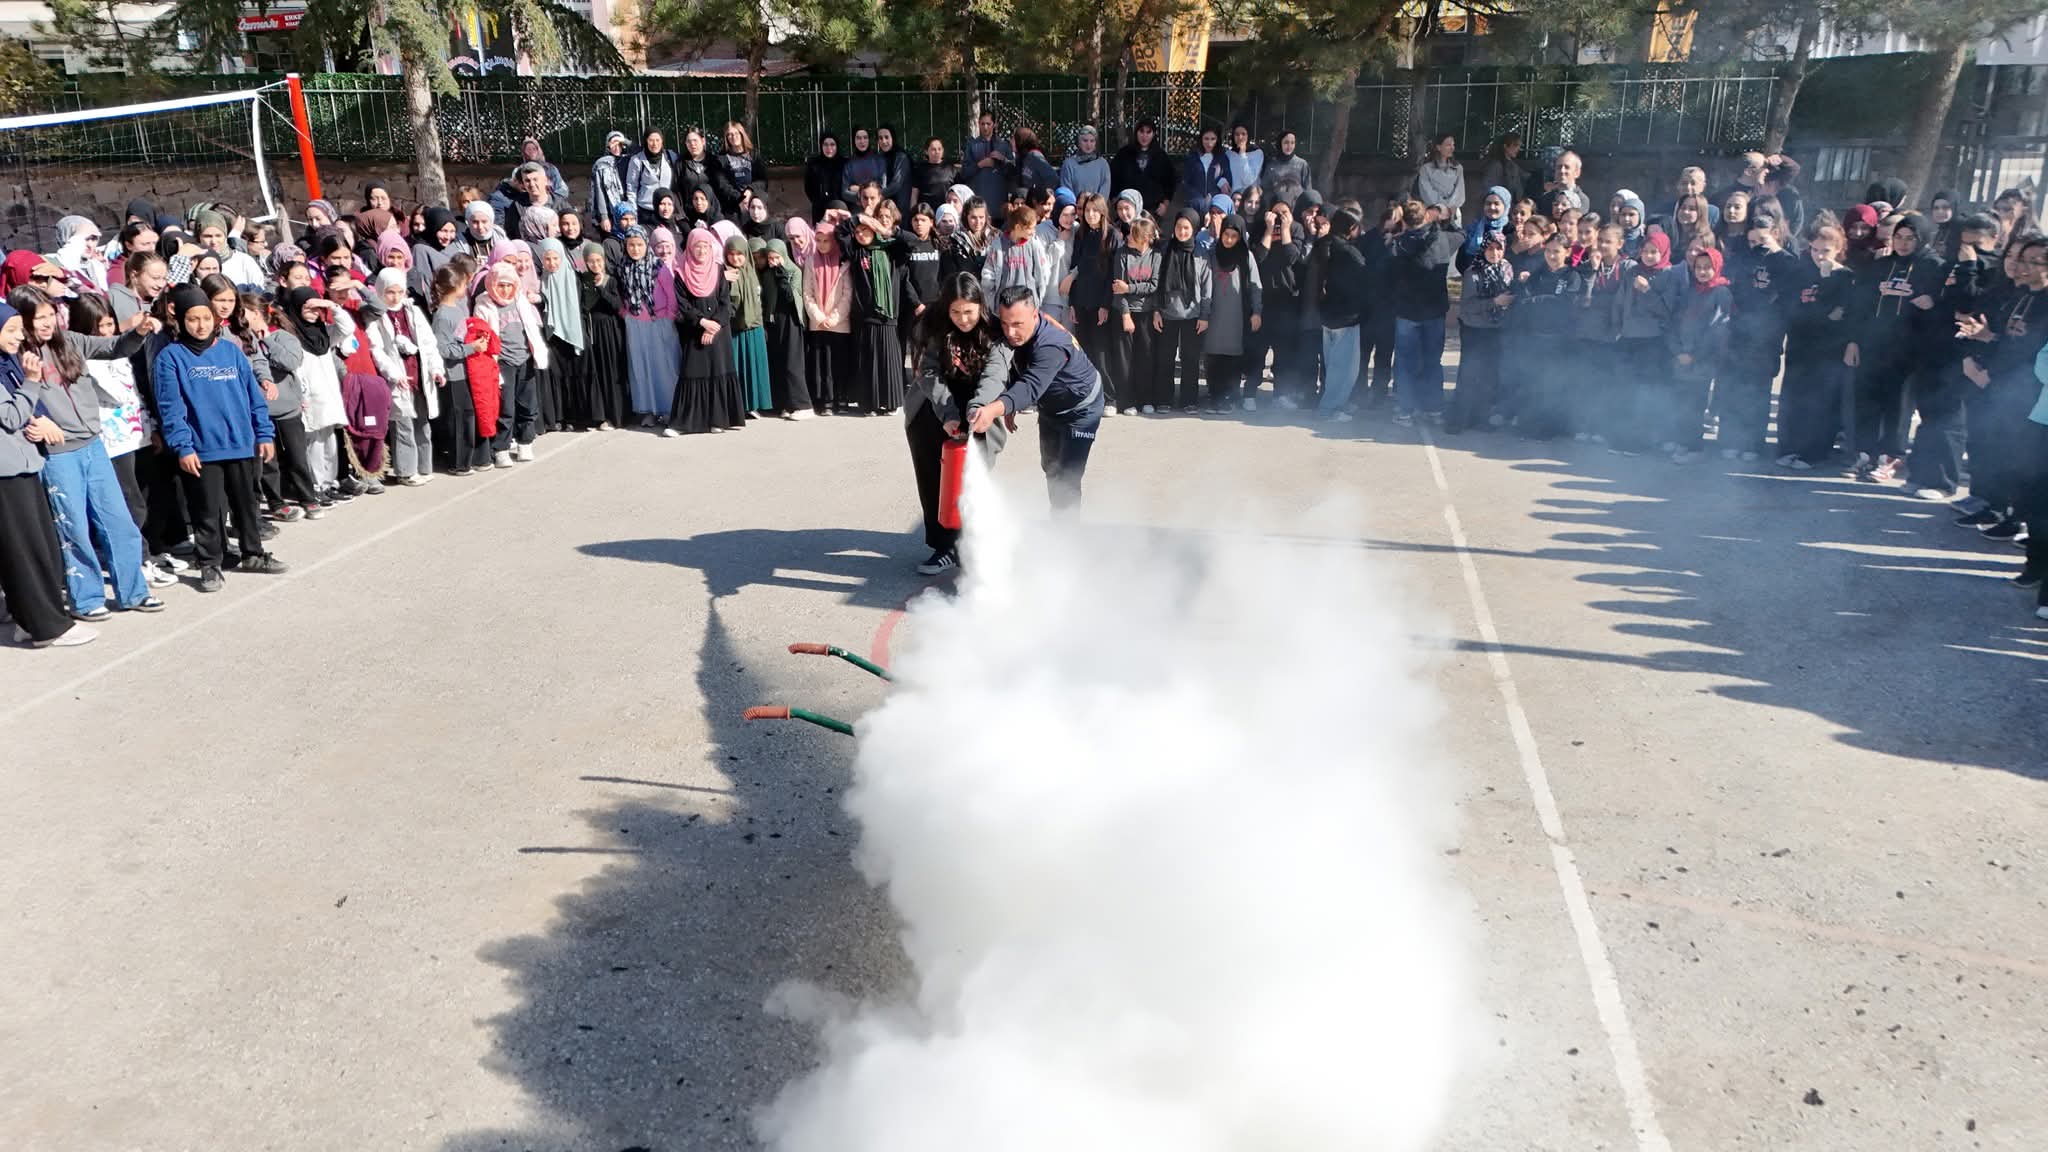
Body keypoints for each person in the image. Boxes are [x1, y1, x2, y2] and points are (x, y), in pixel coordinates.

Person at [7, 284, 160, 618]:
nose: (47, 324)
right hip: (58, 455)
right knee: (74, 528)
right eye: (38, 318)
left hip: (94, 444)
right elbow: (17, 405)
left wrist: (140, 331)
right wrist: (39, 421)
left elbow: (115, 346)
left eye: (51, 315)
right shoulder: (17, 358)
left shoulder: (70, 341)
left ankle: (133, 591)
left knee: (119, 521)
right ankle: (86, 599)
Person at [153, 283, 284, 592]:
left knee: (246, 504)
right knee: (207, 510)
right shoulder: (171, 358)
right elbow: (171, 409)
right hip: (202, 449)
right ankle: (210, 563)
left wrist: (263, 433)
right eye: (193, 319)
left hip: (240, 443)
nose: (200, 326)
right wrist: (183, 447)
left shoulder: (230, 351)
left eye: (206, 318)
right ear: (182, 320)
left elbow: (253, 396)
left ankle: (253, 553)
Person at [0, 300, 98, 646]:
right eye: (9, 330)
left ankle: (29, 620)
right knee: (25, 553)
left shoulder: (6, 363)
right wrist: (30, 382)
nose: (18, 337)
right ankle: (48, 628)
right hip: (6, 474)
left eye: (18, 329)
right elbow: (11, 417)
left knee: (36, 547)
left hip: (23, 465)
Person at [966, 286, 1104, 510]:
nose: (1010, 333)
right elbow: (1012, 367)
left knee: (1067, 478)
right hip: (1050, 407)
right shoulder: (1019, 331)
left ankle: (1067, 537)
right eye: (1005, 323)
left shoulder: (1051, 345)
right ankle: (1059, 519)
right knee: (1051, 467)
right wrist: (1008, 403)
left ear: (1034, 315)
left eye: (1017, 324)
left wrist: (994, 409)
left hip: (1082, 410)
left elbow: (1030, 387)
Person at [905, 272, 1006, 575]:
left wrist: (978, 409)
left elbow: (995, 372)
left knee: (974, 477)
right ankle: (943, 546)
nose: (963, 319)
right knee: (936, 478)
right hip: (932, 407)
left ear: (980, 307)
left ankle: (972, 544)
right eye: (956, 312)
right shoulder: (931, 324)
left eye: (969, 312)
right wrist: (948, 415)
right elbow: (927, 372)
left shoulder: (992, 329)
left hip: (979, 405)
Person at [1955, 236, 2048, 542]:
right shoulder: (2020, 294)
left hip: (2029, 393)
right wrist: (1982, 346)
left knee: (2023, 462)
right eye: (2023, 260)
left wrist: (1990, 342)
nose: (2024, 267)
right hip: (2000, 386)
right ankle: (1999, 508)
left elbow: (2029, 350)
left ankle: (2018, 518)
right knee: (1998, 451)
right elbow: (2002, 339)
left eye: (2034, 262)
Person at [1844, 212, 1943, 481]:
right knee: (1866, 399)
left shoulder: (1932, 266)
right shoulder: (1880, 265)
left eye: (1911, 238)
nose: (1903, 243)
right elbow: (1860, 305)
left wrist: (1933, 302)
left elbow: (1945, 305)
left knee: (1897, 406)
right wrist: (1853, 340)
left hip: (1908, 349)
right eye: (1899, 237)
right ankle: (1864, 454)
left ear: (1922, 239)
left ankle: (1891, 457)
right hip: (1873, 343)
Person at [1716, 201, 1798, 461]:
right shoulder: (1742, 259)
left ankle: (1752, 443)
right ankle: (1730, 439)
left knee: (1757, 391)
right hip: (1739, 333)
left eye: (1761, 240)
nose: (1756, 246)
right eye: (1752, 241)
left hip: (1766, 338)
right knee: (1733, 388)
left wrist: (1773, 251)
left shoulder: (1785, 261)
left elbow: (1788, 297)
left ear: (1774, 235)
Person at [1777, 223, 1853, 470]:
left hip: (1828, 350)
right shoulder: (1801, 273)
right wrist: (1819, 314)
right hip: (1800, 345)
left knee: (1820, 401)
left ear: (1838, 249)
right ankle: (1789, 447)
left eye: (1826, 251)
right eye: (1815, 250)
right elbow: (1794, 309)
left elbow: (1841, 314)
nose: (1820, 256)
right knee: (1793, 397)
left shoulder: (1846, 277)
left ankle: (1814, 452)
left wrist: (1827, 281)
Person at [367, 267, 443, 482]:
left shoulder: (413, 311)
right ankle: (407, 471)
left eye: (400, 292)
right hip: (399, 378)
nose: (395, 297)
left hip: (418, 374)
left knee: (422, 423)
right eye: (390, 292)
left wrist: (436, 368)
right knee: (403, 426)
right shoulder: (377, 317)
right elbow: (377, 349)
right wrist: (392, 373)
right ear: (381, 291)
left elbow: (429, 343)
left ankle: (424, 466)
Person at [663, 226, 740, 436]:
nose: (702, 250)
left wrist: (714, 325)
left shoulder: (718, 270)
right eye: (697, 246)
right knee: (692, 373)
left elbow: (725, 303)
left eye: (706, 246)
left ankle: (718, 420)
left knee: (717, 372)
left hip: (719, 332)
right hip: (694, 332)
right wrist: (702, 322)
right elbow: (683, 306)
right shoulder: (681, 273)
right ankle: (682, 424)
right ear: (689, 247)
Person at [1389, 201, 1461, 424]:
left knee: (1405, 362)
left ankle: (1405, 410)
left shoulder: (1399, 244)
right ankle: (1434, 408)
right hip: (1434, 311)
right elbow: (1461, 234)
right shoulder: (1443, 239)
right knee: (1432, 361)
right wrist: (1445, 216)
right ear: (1426, 218)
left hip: (1407, 311)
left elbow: (1387, 267)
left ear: (1405, 221)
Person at [1667, 247, 1733, 461]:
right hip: (1681, 357)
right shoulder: (1690, 291)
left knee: (1695, 405)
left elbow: (1717, 329)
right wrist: (1678, 350)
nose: (1702, 272)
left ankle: (1694, 447)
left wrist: (1695, 355)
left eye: (1708, 267)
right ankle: (1681, 441)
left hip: (1702, 361)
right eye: (1699, 267)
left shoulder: (1721, 292)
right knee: (1681, 403)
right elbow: (1674, 323)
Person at [1447, 229, 1513, 435]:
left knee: (1489, 376)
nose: (1494, 253)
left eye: (1498, 249)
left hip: (1496, 329)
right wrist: (1494, 302)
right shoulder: (1473, 272)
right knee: (1469, 374)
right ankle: (1458, 419)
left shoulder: (1507, 269)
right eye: (1490, 248)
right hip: (1475, 329)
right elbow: (1468, 305)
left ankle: (1480, 417)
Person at [845, 213, 907, 416]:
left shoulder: (891, 251)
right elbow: (840, 232)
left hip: (888, 316)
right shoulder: (856, 253)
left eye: (866, 230)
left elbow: (912, 242)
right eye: (858, 232)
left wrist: (887, 231)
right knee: (868, 362)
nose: (861, 235)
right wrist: (860, 219)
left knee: (888, 361)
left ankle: (890, 403)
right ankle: (868, 404)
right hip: (865, 317)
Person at [1154, 208, 1212, 413]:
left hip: (1192, 315)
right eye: (1179, 227)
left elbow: (1207, 288)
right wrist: (1156, 311)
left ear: (1194, 229)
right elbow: (1157, 283)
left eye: (1186, 228)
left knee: (1190, 359)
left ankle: (1189, 400)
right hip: (1167, 313)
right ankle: (1164, 399)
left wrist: (1204, 315)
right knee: (1165, 358)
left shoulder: (1201, 253)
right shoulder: (1164, 250)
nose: (1182, 231)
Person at [1313, 208, 1369, 421]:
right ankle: (1331, 408)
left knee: (1332, 364)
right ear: (1351, 228)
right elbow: (1366, 278)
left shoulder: (1323, 244)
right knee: (1345, 370)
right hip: (1347, 317)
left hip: (1327, 315)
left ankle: (1333, 403)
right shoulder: (1350, 253)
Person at [1203, 214, 1263, 412]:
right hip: (1215, 313)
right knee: (1213, 354)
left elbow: (1255, 286)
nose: (1228, 240)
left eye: (1233, 236)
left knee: (1233, 355)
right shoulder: (1212, 254)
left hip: (1237, 315)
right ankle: (1215, 395)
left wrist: (1257, 311)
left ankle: (1229, 395)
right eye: (1226, 234)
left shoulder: (1247, 257)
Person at [1108, 213, 1161, 414]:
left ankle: (1145, 398)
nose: (1128, 237)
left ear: (1145, 239)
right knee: (1124, 359)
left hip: (1146, 312)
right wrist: (1125, 314)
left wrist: (1129, 288)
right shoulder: (1122, 254)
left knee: (1145, 356)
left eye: (1133, 235)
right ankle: (1126, 400)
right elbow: (1116, 288)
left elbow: (1154, 285)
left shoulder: (1156, 256)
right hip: (1125, 312)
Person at [802, 213, 853, 414]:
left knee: (838, 363)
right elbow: (807, 293)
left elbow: (848, 293)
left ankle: (840, 399)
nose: (822, 245)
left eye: (826, 241)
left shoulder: (843, 262)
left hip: (839, 323)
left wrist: (833, 318)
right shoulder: (810, 262)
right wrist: (819, 317)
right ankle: (824, 401)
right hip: (818, 323)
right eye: (819, 241)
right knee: (821, 364)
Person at [981, 202, 1055, 313]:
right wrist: (992, 301)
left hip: (1028, 306)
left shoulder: (1034, 245)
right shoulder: (998, 246)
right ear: (1018, 227)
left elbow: (1044, 272)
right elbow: (988, 275)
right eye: (1030, 228)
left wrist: (1038, 299)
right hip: (1004, 307)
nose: (1034, 231)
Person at [1112, 119, 1175, 219]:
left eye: (1148, 132)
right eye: (1141, 131)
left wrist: (1165, 204)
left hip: (1153, 211)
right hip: (1127, 210)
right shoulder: (1124, 154)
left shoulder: (1161, 156)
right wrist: (1116, 202)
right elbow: (1114, 178)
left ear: (1153, 134)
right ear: (1136, 132)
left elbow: (1169, 182)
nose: (1144, 136)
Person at [963, 113, 1013, 221]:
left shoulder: (1004, 145)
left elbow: (1012, 172)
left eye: (988, 124)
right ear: (978, 124)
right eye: (982, 124)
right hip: (979, 202)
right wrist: (980, 165)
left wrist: (1003, 159)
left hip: (999, 203)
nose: (985, 127)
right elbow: (965, 172)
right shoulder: (972, 145)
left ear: (994, 125)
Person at [1414, 134, 1465, 226]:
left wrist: (1450, 207)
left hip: (1453, 212)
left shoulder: (1458, 168)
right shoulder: (1426, 169)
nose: (1452, 148)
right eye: (1448, 145)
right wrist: (1441, 207)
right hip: (1433, 211)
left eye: (1453, 145)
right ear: (1438, 147)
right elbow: (1426, 191)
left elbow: (1460, 190)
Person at [713, 121, 758, 219]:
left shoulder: (754, 155)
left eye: (736, 133)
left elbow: (762, 179)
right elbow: (722, 184)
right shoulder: (722, 158)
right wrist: (740, 198)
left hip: (754, 202)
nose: (733, 137)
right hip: (733, 207)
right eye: (729, 135)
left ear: (742, 134)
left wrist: (750, 190)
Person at [627, 129, 679, 212]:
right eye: (651, 140)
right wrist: (633, 210)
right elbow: (631, 186)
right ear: (646, 141)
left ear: (662, 141)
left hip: (667, 209)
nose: (655, 144)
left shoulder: (670, 156)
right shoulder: (636, 160)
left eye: (657, 140)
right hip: (646, 209)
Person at [1058, 126, 1112, 203]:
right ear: (1079, 142)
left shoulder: (1103, 164)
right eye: (1085, 140)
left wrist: (1095, 207)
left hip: (1096, 210)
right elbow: (1067, 192)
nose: (1088, 144)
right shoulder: (1069, 164)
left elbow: (1105, 190)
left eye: (1092, 141)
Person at [1180, 125, 1229, 209]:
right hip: (1195, 204)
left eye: (1213, 139)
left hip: (1215, 205)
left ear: (1217, 140)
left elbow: (1228, 179)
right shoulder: (1192, 157)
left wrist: (1212, 194)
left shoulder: (1222, 158)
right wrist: (1198, 198)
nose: (1209, 143)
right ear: (1201, 139)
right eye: (1206, 138)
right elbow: (1185, 182)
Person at [591, 131, 632, 229]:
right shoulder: (601, 164)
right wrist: (604, 216)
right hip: (610, 210)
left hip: (630, 209)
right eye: (613, 143)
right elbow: (599, 191)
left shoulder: (631, 160)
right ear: (608, 146)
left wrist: (625, 141)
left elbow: (642, 150)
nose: (616, 147)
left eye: (619, 144)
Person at [805, 132, 846, 222]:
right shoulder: (814, 164)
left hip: (839, 207)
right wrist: (817, 201)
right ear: (821, 146)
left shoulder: (844, 164)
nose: (829, 148)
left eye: (832, 144)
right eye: (825, 145)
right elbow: (808, 187)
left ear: (837, 146)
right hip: (819, 209)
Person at [840, 126, 885, 204]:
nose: (862, 141)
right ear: (854, 140)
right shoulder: (849, 164)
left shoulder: (879, 160)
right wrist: (863, 198)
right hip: (856, 208)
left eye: (865, 137)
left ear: (869, 140)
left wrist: (859, 189)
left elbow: (883, 188)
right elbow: (844, 193)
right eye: (858, 138)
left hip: (877, 206)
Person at [673, 126, 716, 204]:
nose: (692, 144)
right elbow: (677, 191)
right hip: (689, 211)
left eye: (695, 140)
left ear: (703, 141)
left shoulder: (714, 162)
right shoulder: (680, 163)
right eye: (689, 141)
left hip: (712, 210)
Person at [1478, 133, 1525, 204]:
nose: (1518, 149)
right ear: (1505, 146)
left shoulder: (1514, 166)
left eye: (1519, 146)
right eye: (1515, 145)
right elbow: (1488, 188)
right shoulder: (1495, 165)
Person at [913, 137, 958, 211]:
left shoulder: (951, 168)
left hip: (946, 211)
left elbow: (958, 193)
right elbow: (914, 193)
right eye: (933, 149)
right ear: (926, 151)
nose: (937, 152)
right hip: (926, 211)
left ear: (943, 150)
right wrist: (913, 210)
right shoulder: (919, 169)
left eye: (939, 149)